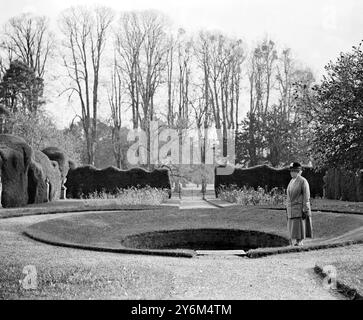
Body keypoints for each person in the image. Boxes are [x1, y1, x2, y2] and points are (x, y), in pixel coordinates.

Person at [286, 162, 313, 246]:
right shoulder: (291, 181)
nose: (291, 173)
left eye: (293, 171)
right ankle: (296, 242)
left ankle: (300, 242)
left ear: (298, 171)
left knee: (299, 227)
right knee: (293, 227)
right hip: (291, 209)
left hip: (299, 208)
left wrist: (305, 209)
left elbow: (306, 196)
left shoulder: (303, 181)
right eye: (290, 171)